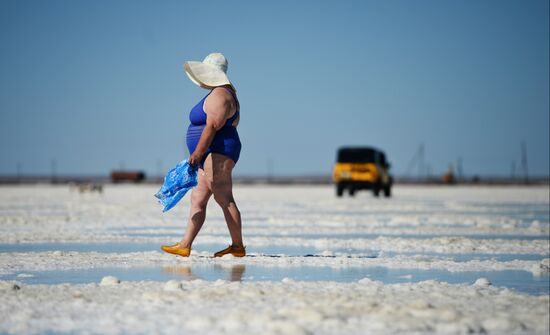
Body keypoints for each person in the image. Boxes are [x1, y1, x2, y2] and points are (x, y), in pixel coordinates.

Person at [161, 53, 245, 258]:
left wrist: (197, 152)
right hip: (208, 153)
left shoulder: (222, 95)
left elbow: (213, 125)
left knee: (224, 197)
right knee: (197, 199)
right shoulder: (218, 93)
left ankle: (238, 246)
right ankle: (185, 244)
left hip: (218, 151)